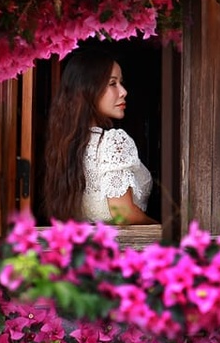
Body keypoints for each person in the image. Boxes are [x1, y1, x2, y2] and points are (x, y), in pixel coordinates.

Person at [41, 47, 155, 225]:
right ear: (88, 90)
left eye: (121, 83)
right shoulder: (114, 141)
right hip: (124, 248)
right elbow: (124, 213)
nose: (123, 91)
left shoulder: (64, 146)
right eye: (112, 83)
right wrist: (165, 232)